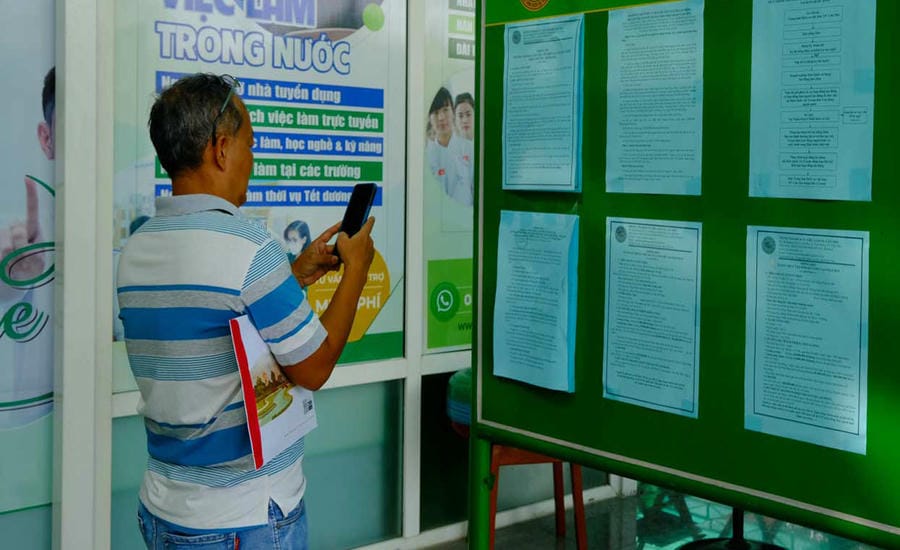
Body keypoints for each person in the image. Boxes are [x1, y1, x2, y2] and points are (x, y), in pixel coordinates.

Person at [116, 73, 375, 549]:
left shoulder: (137, 249)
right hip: (245, 516)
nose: (251, 164)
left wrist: (292, 275)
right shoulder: (248, 247)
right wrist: (355, 270)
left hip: (162, 510)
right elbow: (314, 367)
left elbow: (211, 313)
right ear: (220, 149)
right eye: (249, 147)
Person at [0, 66, 55, 429]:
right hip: (36, 442)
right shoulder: (23, 236)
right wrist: (8, 282)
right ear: (46, 138)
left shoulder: (139, 236)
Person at [426, 86, 474, 207]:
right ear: (429, 118)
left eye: (445, 110)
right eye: (436, 112)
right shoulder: (426, 156)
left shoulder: (470, 149)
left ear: (453, 112)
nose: (441, 117)